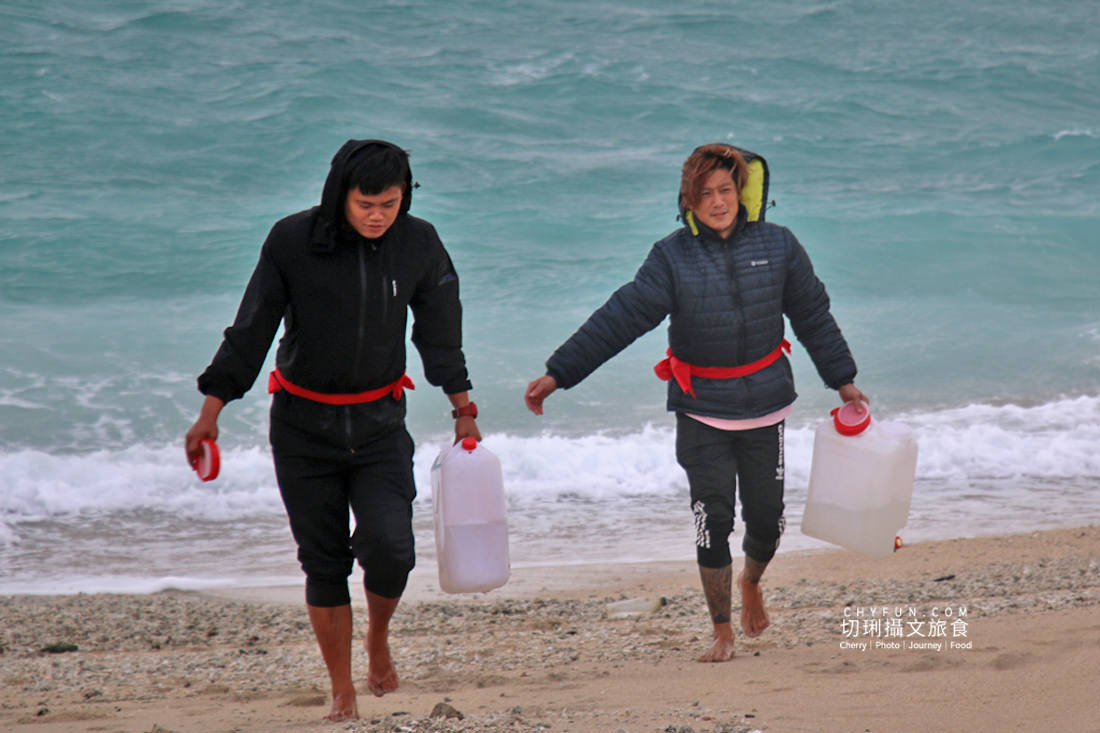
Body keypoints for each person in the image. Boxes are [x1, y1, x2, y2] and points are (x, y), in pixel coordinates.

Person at [525, 143, 866, 662]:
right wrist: (559, 372)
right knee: (713, 517)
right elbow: (622, 317)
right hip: (700, 408)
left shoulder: (780, 246)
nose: (717, 202)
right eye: (704, 194)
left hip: (766, 404)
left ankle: (751, 581)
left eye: (726, 190)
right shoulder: (671, 257)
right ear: (688, 200)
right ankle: (722, 629)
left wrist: (844, 380)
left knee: (768, 521)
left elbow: (813, 315)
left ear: (743, 192)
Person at [185, 139, 480, 720]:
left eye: (389, 204)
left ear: (405, 198)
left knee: (392, 549)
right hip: (303, 428)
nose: (377, 216)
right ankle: (342, 689)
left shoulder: (419, 244)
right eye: (366, 203)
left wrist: (462, 407)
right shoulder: (293, 241)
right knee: (323, 563)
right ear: (340, 194)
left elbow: (441, 332)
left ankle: (376, 640)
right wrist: (210, 411)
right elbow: (252, 330)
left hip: (378, 425)